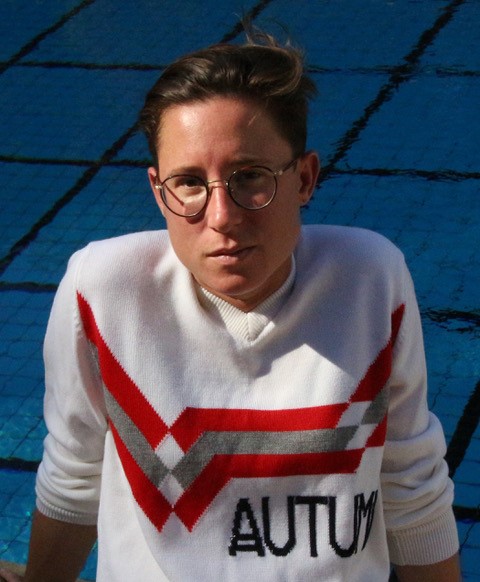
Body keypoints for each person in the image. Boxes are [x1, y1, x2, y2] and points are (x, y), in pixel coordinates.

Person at [0, 32, 461, 582]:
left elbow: (412, 485)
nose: (221, 216)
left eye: (249, 177)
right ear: (158, 192)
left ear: (305, 178)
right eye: (189, 183)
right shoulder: (103, 290)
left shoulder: (369, 281)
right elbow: (74, 476)